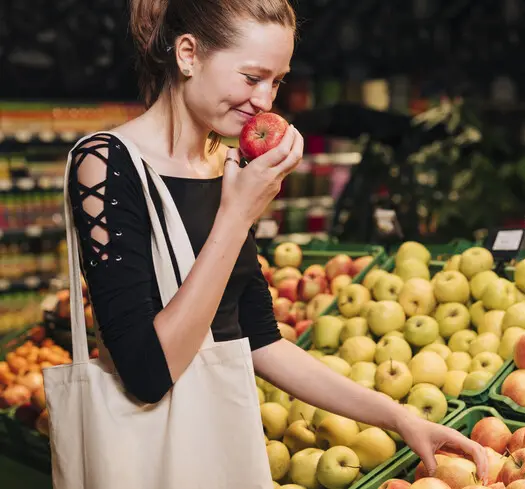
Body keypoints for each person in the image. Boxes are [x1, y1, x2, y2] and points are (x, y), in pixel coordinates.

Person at [65, 0, 488, 481]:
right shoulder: (104, 163)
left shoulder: (223, 163)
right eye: (251, 78)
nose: (265, 101)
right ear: (187, 54)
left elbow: (258, 339)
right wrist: (238, 212)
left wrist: (397, 417)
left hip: (225, 448)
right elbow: (147, 374)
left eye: (277, 80)